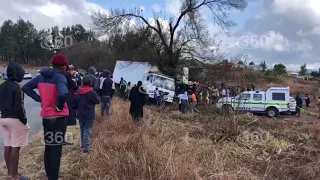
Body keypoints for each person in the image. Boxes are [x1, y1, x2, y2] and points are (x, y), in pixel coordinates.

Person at [22, 54, 69, 180]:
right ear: (64, 67)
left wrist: (39, 99)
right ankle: (53, 177)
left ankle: (49, 175)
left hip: (47, 118)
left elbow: (25, 87)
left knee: (49, 147)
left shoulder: (40, 77)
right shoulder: (60, 78)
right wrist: (59, 107)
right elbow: (63, 93)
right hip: (58, 118)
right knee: (56, 149)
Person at [0, 62, 29, 180]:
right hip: (14, 119)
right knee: (16, 147)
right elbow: (19, 107)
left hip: (3, 118)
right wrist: (24, 120)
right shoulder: (17, 87)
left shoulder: (1, 86)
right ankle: (16, 176)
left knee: (8, 145)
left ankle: (10, 174)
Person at [75, 76, 100, 153]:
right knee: (87, 131)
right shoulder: (92, 92)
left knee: (82, 130)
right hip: (89, 114)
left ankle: (83, 145)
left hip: (80, 114)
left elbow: (75, 102)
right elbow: (97, 101)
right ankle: (86, 149)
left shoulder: (78, 91)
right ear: (90, 83)